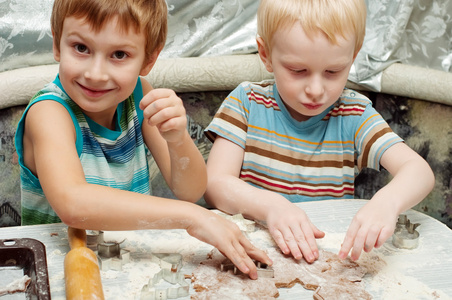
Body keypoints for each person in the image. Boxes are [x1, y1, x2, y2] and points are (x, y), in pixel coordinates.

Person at [14, 0, 271, 279]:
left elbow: (191, 189)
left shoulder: (139, 95)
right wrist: (193, 216)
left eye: (119, 54)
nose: (95, 74)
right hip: (60, 271)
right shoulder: (49, 112)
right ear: (57, 44)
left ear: (148, 60)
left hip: (131, 264)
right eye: (81, 48)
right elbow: (74, 205)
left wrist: (176, 139)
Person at [204, 0, 435, 263]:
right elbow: (214, 184)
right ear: (265, 54)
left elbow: (419, 171)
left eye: (333, 71)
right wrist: (272, 207)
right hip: (252, 255)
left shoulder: (354, 114)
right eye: (298, 70)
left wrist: (387, 202)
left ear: (353, 56)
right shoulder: (246, 103)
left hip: (323, 263)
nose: (315, 89)